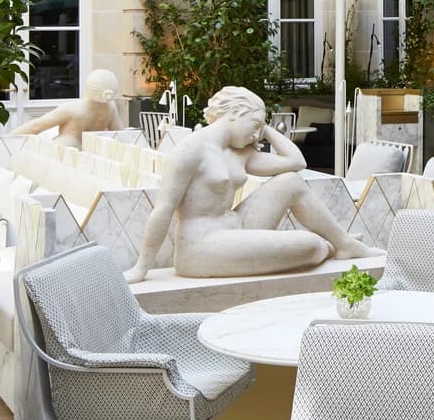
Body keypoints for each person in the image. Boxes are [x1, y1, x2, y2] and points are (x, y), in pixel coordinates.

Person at [131, 85, 377, 281]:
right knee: (310, 244)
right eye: (254, 125)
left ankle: (344, 244)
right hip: (202, 246)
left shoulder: (240, 152)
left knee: (290, 182)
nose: (255, 135)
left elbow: (296, 162)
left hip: (235, 227)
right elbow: (163, 209)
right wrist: (141, 268)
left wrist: (266, 128)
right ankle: (328, 246)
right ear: (235, 114)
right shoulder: (189, 151)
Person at [13, 69, 120, 148]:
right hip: (90, 152)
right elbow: (120, 134)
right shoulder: (111, 107)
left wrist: (7, 138)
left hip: (64, 152)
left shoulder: (73, 109)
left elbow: (36, 127)